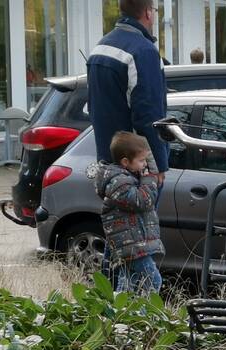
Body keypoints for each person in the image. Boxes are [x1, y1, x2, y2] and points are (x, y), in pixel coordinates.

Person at [87, 0, 168, 280]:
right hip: (134, 163)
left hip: (109, 161)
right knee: (136, 241)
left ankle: (107, 301)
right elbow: (149, 115)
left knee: (119, 237)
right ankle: (128, 310)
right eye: (155, 11)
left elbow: (97, 107)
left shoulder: (101, 47)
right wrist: (155, 165)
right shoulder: (143, 51)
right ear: (147, 12)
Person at [96, 132, 164, 295]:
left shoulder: (127, 177)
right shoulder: (119, 182)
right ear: (125, 162)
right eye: (141, 161)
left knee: (127, 285)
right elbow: (143, 200)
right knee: (153, 281)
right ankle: (142, 314)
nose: (144, 166)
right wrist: (149, 178)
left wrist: (149, 167)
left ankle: (120, 316)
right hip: (131, 245)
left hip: (133, 244)